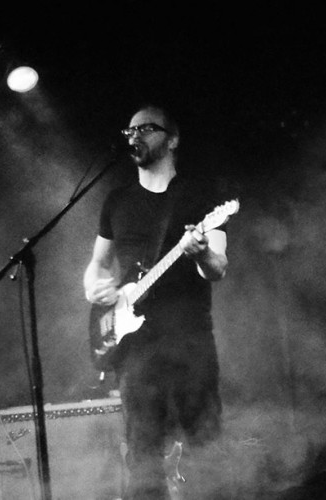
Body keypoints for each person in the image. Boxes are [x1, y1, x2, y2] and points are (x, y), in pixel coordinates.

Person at [84, 105, 229, 499]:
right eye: (129, 130)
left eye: (146, 128)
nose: (135, 135)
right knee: (142, 455)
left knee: (205, 447)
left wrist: (200, 252)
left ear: (172, 139)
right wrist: (94, 286)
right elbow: (97, 264)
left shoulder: (200, 197)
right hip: (135, 349)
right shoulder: (117, 200)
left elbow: (218, 267)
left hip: (190, 341)